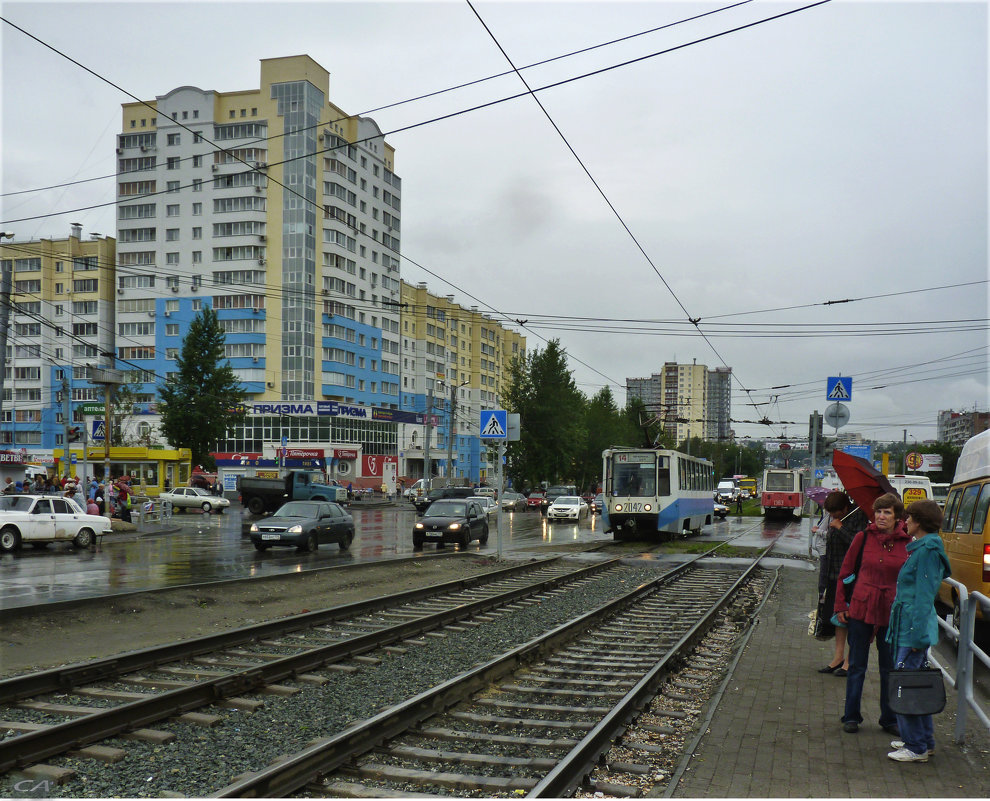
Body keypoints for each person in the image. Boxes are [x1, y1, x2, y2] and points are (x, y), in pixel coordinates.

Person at [834, 492, 911, 734]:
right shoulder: (862, 538)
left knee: (889, 667)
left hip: (891, 612)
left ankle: (889, 719)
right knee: (857, 664)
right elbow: (845, 572)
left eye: (887, 512)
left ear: (897, 516)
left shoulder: (907, 543)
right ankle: (852, 715)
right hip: (861, 608)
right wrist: (841, 606)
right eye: (878, 511)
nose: (881, 516)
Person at [884, 500, 951, 762]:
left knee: (905, 685)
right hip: (909, 623)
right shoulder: (923, 549)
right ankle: (922, 740)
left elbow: (924, 597)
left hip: (912, 627)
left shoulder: (926, 551)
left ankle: (916, 746)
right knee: (913, 683)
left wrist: (917, 636)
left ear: (920, 521)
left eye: (909, 517)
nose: (905, 521)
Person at [817, 491, 869, 676]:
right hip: (834, 575)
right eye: (831, 514)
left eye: (836, 513)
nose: (833, 517)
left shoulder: (858, 516)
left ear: (845, 508)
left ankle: (849, 661)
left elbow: (859, 543)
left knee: (851, 619)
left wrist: (841, 528)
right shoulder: (837, 517)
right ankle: (837, 657)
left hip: (851, 578)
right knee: (837, 617)